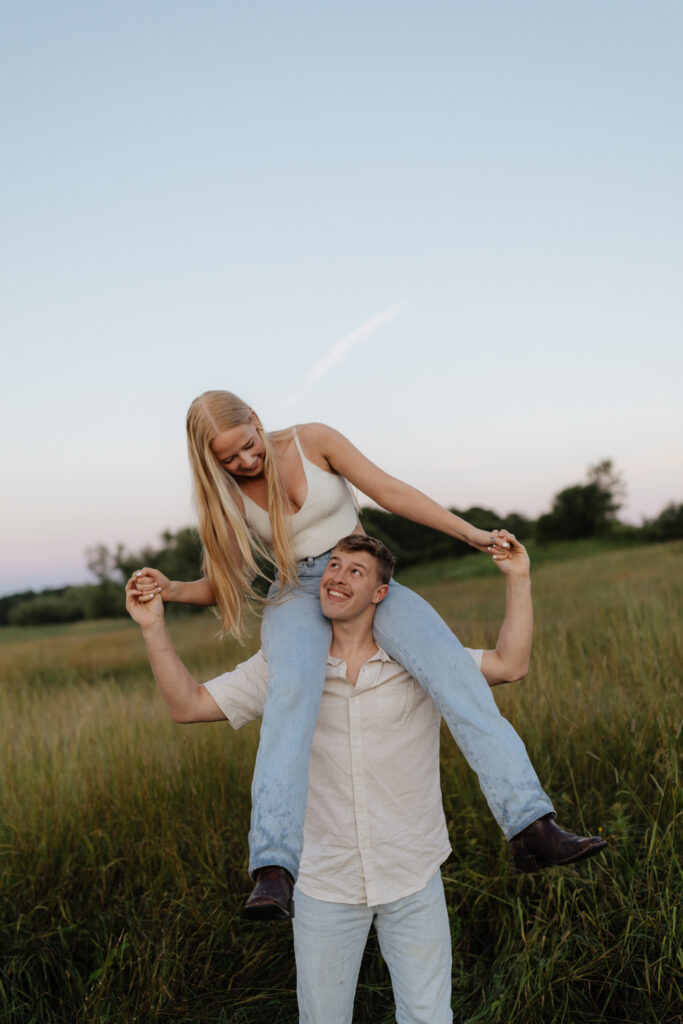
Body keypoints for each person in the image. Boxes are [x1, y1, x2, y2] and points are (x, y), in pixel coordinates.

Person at [129, 390, 577, 918]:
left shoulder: (313, 441)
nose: (245, 462)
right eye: (228, 459)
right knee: (291, 694)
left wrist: (473, 535)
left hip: (362, 573)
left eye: (248, 447)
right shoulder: (223, 496)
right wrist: (171, 588)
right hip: (296, 592)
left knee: (455, 673)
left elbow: (389, 491)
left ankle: (531, 825)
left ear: (255, 420)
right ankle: (274, 868)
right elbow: (226, 580)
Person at [125, 533, 606, 1024]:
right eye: (333, 565)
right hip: (323, 885)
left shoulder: (421, 662)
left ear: (382, 593)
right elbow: (188, 706)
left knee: (428, 1018)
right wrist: (152, 628)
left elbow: (511, 664)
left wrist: (518, 578)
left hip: (412, 873)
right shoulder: (283, 668)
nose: (336, 575)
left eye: (356, 571)